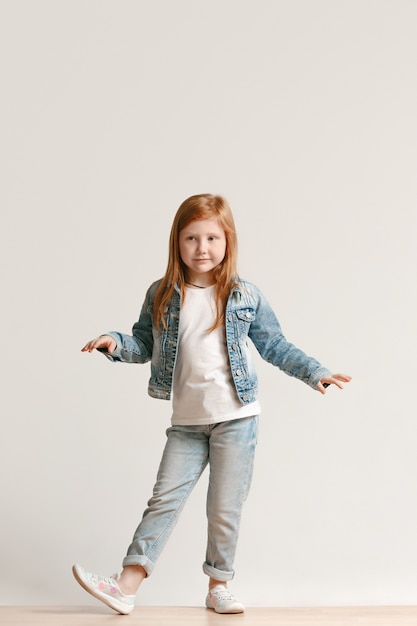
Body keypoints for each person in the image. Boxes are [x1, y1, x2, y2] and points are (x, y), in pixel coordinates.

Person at [72, 193, 351, 615]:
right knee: (163, 500)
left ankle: (218, 585)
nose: (202, 249)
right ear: (177, 243)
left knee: (224, 508)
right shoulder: (162, 293)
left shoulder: (243, 295)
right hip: (187, 422)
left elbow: (274, 344)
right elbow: (143, 343)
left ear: (227, 242)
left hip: (236, 419)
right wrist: (115, 343)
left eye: (211, 239)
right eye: (191, 239)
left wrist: (314, 372)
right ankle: (125, 586)